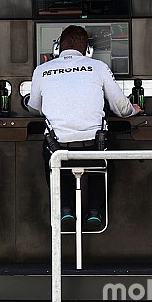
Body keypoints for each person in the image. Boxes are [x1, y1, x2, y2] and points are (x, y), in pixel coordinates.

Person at [28, 25, 140, 230]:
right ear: (87, 50)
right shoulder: (98, 67)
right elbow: (121, 108)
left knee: (57, 161)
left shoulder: (41, 70)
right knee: (102, 156)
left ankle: (66, 209)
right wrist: (133, 110)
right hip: (92, 148)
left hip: (57, 149)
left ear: (58, 48)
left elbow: (35, 108)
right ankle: (95, 210)